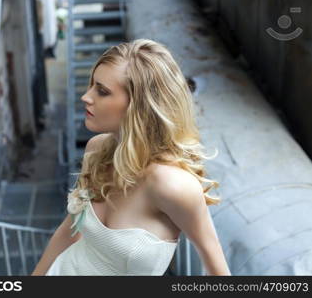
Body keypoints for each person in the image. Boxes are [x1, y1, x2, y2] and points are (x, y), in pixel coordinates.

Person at [31, 39, 231, 276]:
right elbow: (69, 230)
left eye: (102, 91)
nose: (86, 96)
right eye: (92, 85)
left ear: (139, 107)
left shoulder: (172, 185)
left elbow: (217, 268)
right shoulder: (97, 149)